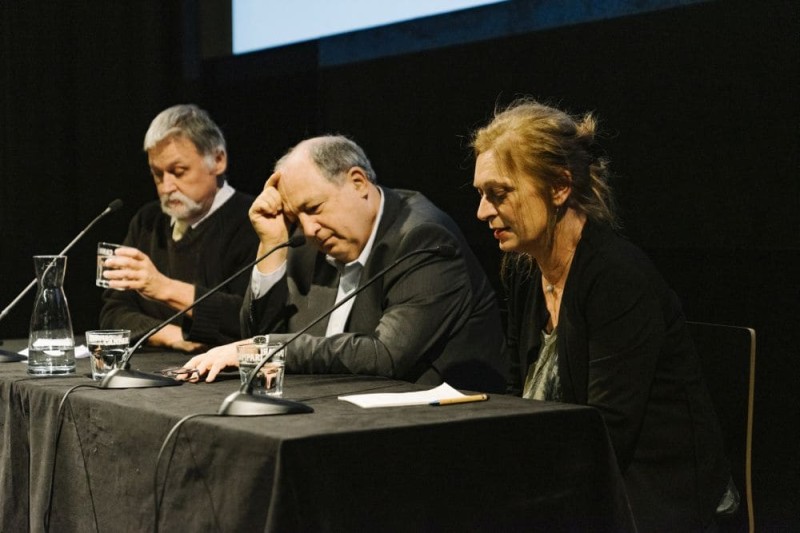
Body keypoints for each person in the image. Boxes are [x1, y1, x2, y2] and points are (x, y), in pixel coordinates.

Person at [471, 99, 731, 531]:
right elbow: (518, 394)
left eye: (498, 194)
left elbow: (608, 432)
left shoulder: (616, 277)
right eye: (480, 195)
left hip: (649, 496)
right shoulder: (523, 270)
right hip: (567, 477)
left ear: (559, 186)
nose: (482, 211)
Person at [183, 135, 507, 391]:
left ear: (358, 183)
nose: (308, 229)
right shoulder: (310, 240)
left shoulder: (423, 239)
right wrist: (272, 244)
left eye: (315, 207)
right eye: (298, 216)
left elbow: (385, 356)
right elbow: (256, 338)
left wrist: (265, 348)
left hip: (441, 429)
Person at [98, 104, 258, 351]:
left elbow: (251, 318)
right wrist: (173, 336)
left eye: (178, 171)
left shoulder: (254, 222)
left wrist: (163, 288)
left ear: (218, 160)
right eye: (158, 174)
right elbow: (113, 314)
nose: (166, 186)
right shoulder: (147, 222)